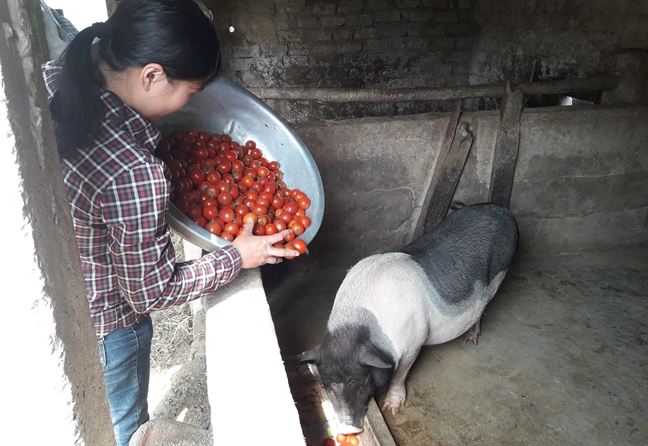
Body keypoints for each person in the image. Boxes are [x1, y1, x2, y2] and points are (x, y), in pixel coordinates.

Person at [40, 1, 299, 445]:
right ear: (152, 75)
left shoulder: (54, 75)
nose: (189, 103)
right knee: (123, 430)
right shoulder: (134, 175)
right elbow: (150, 291)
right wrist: (238, 255)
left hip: (63, 292)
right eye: (191, 92)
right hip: (107, 325)